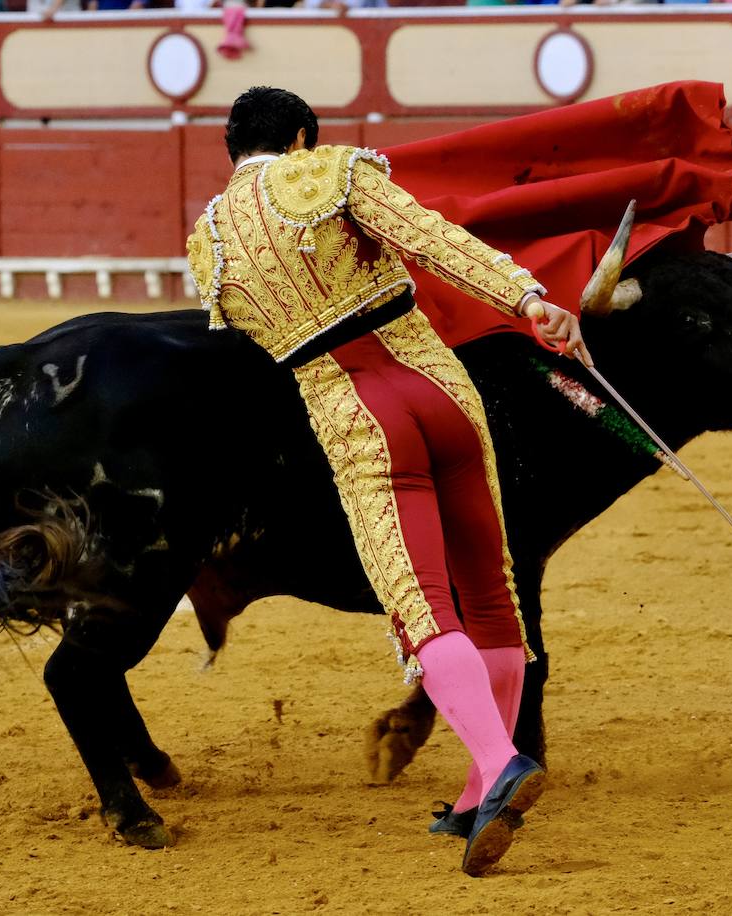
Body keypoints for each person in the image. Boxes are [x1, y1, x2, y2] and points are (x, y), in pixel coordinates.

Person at [186, 86, 589, 877]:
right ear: (302, 135)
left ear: (232, 150)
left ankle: (498, 764)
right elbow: (434, 239)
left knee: (421, 602)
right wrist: (529, 298)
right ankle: (479, 793)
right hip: (440, 389)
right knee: (489, 589)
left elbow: (248, 351)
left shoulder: (210, 244)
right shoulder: (333, 172)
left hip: (355, 413)